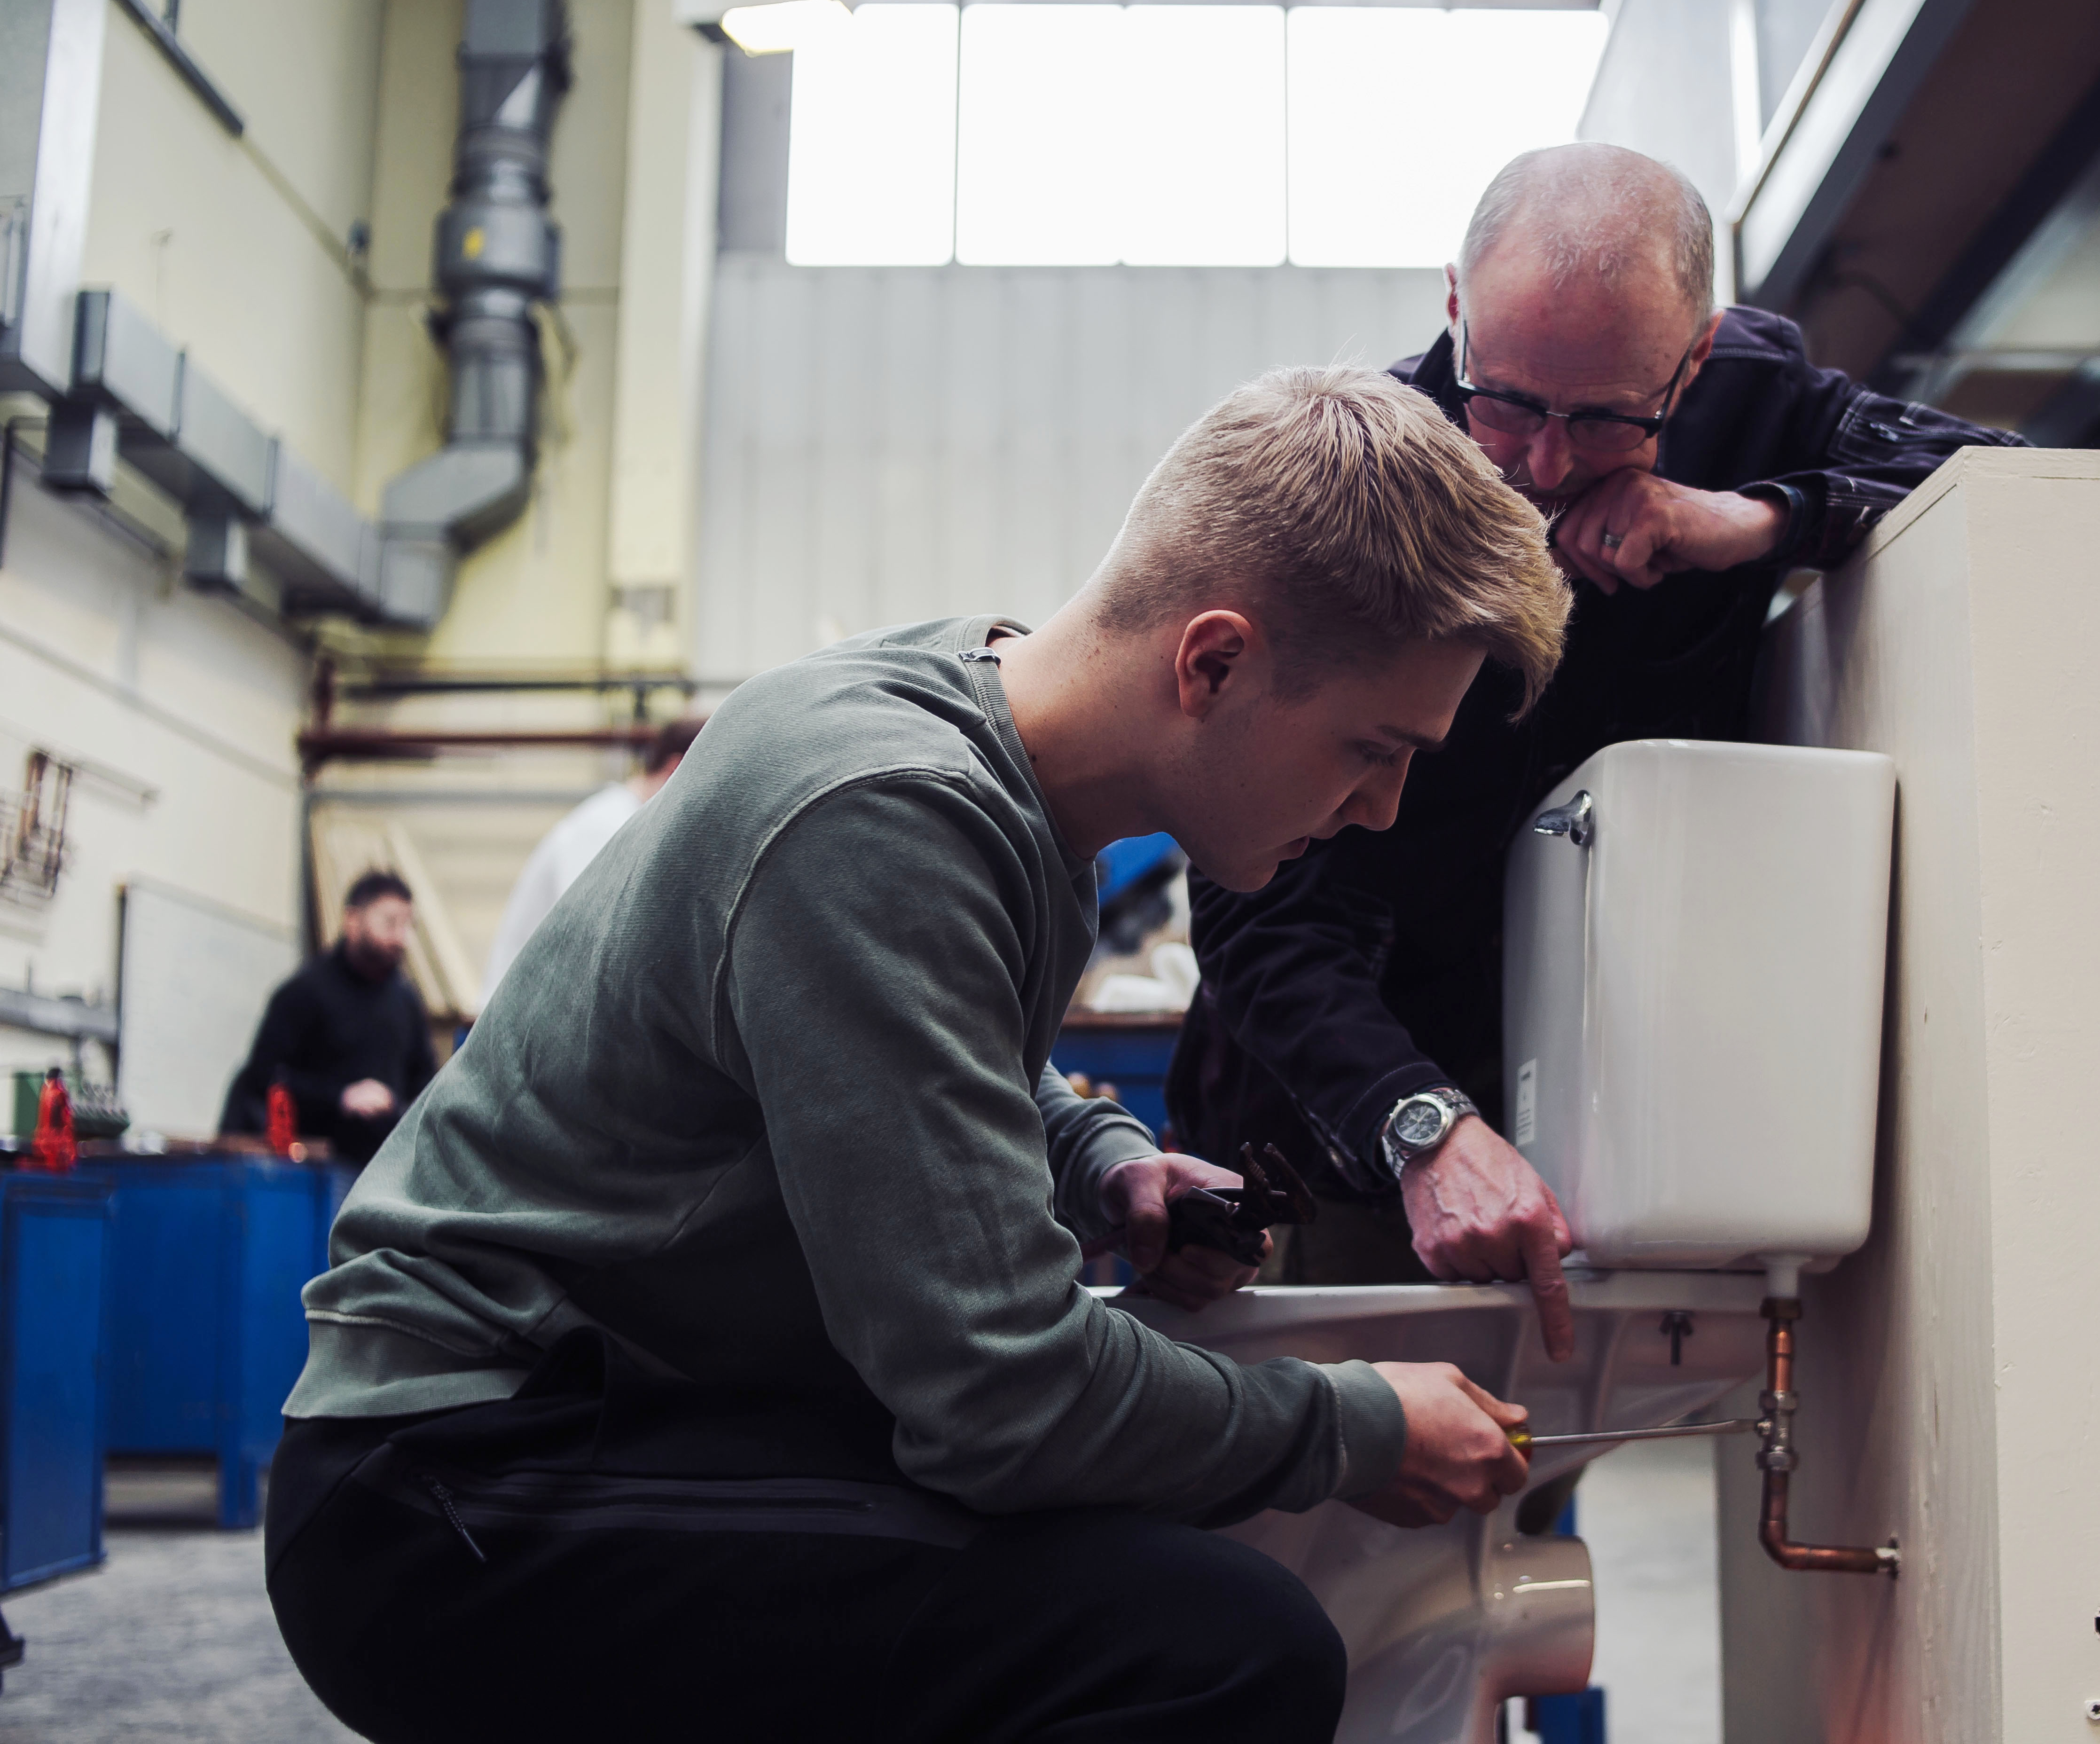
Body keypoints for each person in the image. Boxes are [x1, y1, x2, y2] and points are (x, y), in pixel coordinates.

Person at [266, 368, 1565, 1744]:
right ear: (1216, 661)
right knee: (1224, 1649)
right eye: (1374, 747)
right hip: (453, 1482)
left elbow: (947, 1085)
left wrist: (1107, 1162)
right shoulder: (883, 813)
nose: (1383, 809)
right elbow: (999, 1401)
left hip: (609, 1418)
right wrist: (1355, 1425)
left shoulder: (992, 759)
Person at [1168, 142, 2023, 1360]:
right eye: (1507, 399)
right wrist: (1419, 1128)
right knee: (1314, 1522)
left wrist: (1760, 519)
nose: (1545, 464)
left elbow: (2026, 488)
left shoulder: (1755, 409)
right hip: (1324, 1124)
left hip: (1573, 1113)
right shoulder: (1351, 498)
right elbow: (1265, 909)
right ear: (1455, 311)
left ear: (1697, 358)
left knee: (1514, 1491)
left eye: (1607, 418)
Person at [478, 715, 706, 1005]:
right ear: (676, 768)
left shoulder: (633, 823)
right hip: (513, 1028)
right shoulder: (605, 828)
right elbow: (592, 946)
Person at [221, 871, 437, 1167]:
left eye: (407, 925)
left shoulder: (406, 1000)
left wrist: (397, 1105)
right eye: (390, 923)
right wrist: (341, 1097)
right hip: (315, 1167)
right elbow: (264, 1077)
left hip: (382, 1167)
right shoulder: (304, 991)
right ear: (352, 920)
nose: (401, 938)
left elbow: (424, 1081)